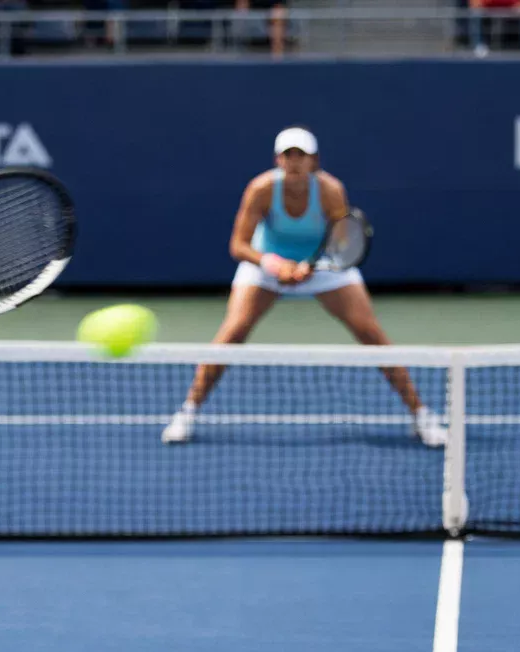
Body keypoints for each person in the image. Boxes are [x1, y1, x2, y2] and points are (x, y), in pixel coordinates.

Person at [162, 126, 447, 448]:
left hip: (322, 267)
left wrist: (313, 266)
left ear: (314, 161)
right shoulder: (262, 189)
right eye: (288, 155)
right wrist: (274, 265)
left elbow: (342, 243)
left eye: (302, 155)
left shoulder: (329, 190)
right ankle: (188, 411)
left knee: (370, 334)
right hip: (266, 266)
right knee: (233, 332)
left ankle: (421, 415)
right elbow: (239, 245)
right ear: (278, 160)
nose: (295, 162)